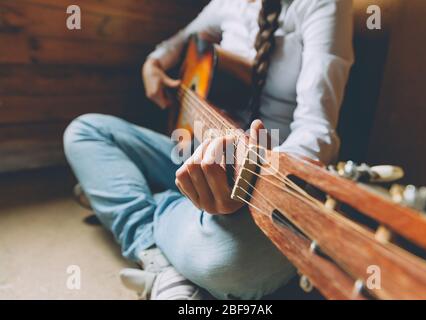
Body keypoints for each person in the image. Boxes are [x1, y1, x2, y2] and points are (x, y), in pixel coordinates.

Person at [63, 0, 354, 300]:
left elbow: (317, 131)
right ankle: (156, 251)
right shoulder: (225, 4)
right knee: (84, 131)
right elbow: (176, 43)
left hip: (260, 179)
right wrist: (153, 63)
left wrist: (257, 174)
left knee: (232, 265)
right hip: (191, 151)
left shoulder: (322, 4)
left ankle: (138, 198)